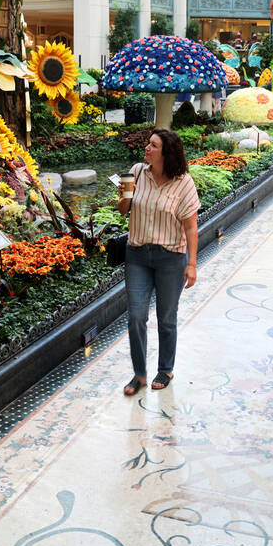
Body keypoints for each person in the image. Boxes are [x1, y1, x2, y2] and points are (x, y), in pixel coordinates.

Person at [118, 128, 200, 396]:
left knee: (166, 318)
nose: (147, 148)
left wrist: (191, 264)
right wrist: (124, 195)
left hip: (171, 258)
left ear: (167, 152)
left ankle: (165, 369)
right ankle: (139, 374)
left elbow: (190, 228)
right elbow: (123, 210)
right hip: (138, 254)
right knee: (135, 316)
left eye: (153, 145)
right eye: (148, 144)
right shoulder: (138, 172)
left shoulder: (183, 183)